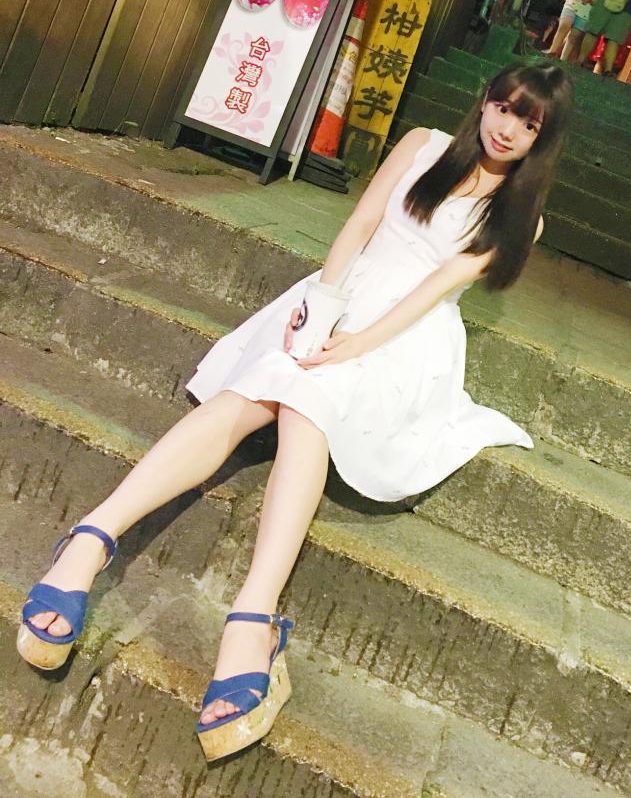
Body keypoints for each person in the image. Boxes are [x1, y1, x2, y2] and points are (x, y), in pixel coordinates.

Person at [16, 63, 572, 762]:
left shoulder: (521, 216)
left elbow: (434, 289)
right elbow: (361, 223)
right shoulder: (425, 145)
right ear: (484, 100)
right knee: (250, 395)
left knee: (309, 405)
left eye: (529, 123)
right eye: (504, 107)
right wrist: (324, 306)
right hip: (341, 294)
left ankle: (251, 617)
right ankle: (92, 539)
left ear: (542, 139)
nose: (508, 127)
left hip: (406, 339)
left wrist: (355, 343)